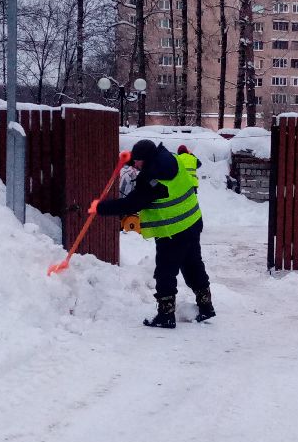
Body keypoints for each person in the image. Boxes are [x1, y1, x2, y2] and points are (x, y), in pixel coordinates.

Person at [90, 138, 214, 328]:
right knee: (192, 264)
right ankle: (206, 306)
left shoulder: (152, 181)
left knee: (165, 272)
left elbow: (131, 204)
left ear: (147, 160)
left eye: (138, 161)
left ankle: (166, 315)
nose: (136, 165)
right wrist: (129, 158)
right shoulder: (171, 159)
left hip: (172, 230)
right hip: (192, 221)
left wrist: (100, 207)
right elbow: (148, 164)